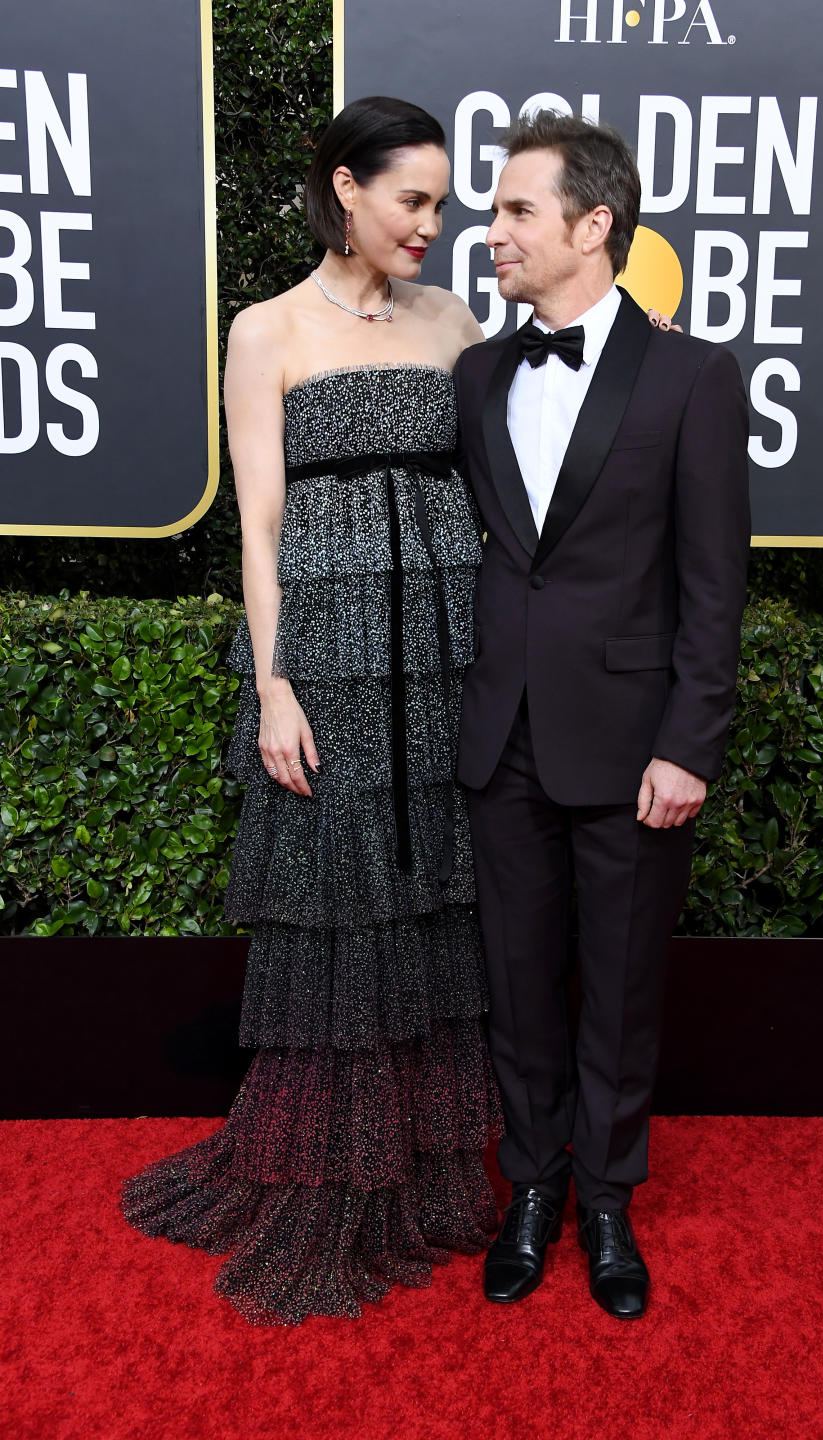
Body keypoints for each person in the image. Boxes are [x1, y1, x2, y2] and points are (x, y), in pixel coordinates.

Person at [121, 96, 501, 1324]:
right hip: (328, 660)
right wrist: (275, 684)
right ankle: (325, 1166)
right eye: (414, 200)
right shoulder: (267, 329)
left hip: (446, 648)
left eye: (442, 204)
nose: (434, 226)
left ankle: (430, 1161)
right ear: (346, 188)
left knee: (432, 892)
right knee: (340, 901)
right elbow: (262, 529)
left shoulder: (455, 321)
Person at [454, 111, 750, 1320]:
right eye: (494, 208)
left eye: (519, 210)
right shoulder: (479, 371)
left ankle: (610, 1200)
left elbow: (713, 584)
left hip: (635, 747)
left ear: (594, 225)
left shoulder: (691, 376)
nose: (494, 230)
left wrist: (690, 742)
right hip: (501, 736)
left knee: (620, 987)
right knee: (517, 986)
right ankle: (532, 1186)